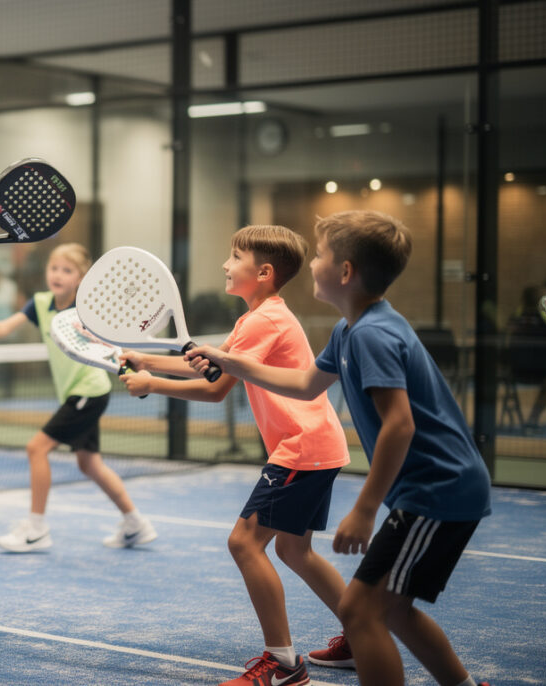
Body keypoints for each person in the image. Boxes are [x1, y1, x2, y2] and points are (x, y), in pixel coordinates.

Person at [185, 210, 492, 686]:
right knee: (383, 611)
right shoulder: (351, 329)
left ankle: (285, 667)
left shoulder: (372, 335)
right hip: (434, 487)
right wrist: (229, 360)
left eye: (322, 255)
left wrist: (366, 509)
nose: (311, 264)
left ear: (345, 272)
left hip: (438, 489)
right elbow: (307, 384)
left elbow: (399, 426)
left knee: (367, 611)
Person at [119, 225, 349, 686]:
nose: (225, 264)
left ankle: (284, 666)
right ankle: (361, 634)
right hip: (319, 444)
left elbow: (217, 388)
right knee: (295, 551)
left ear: (263, 273)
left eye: (234, 257)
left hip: (300, 448)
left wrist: (149, 385)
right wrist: (145, 359)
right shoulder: (261, 316)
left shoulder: (263, 320)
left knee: (244, 543)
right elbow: (207, 361)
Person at [0, 243, 158, 553]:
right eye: (54, 268)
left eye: (67, 270)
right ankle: (135, 524)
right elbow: (3, 327)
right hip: (79, 393)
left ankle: (35, 529)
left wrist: (131, 369)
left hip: (88, 391)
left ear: (81, 277)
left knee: (37, 448)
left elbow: (113, 345)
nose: (58, 275)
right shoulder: (41, 303)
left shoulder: (88, 310)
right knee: (89, 465)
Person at [506, 284, 546, 432]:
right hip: (533, 369)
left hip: (520, 368)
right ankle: (533, 418)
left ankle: (533, 418)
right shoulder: (542, 319)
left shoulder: (517, 317)